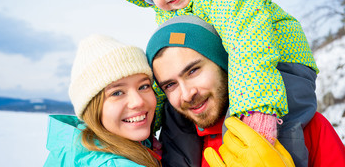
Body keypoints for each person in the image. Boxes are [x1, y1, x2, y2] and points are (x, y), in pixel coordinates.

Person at [119, 0, 318, 165]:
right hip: (236, 72)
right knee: (177, 115)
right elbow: (166, 73)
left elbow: (248, 40)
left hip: (280, 63)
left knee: (258, 133)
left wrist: (258, 108)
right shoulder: (170, 15)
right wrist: (149, 123)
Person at [146, 15, 345, 167]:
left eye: (193, 71)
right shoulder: (166, 155)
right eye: (170, 85)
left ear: (224, 63)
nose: (187, 93)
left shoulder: (307, 128)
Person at [44, 34, 162, 167]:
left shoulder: (75, 149)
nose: (138, 102)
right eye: (117, 93)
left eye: (143, 86)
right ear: (92, 108)